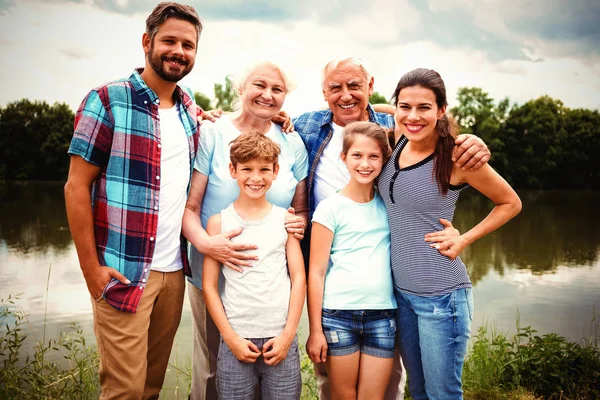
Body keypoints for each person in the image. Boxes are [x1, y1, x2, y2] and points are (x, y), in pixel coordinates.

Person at [293, 56, 492, 400]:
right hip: (344, 299)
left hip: (394, 296)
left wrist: (470, 138)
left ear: (370, 87)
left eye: (355, 86)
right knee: (342, 389)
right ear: (323, 91)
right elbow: (262, 133)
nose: (345, 95)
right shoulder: (306, 126)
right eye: (335, 87)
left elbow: (423, 119)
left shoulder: (399, 131)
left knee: (397, 388)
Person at [64, 3, 202, 399]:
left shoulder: (190, 109)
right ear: (147, 42)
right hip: (123, 272)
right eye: (170, 41)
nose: (179, 51)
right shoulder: (107, 99)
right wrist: (92, 271)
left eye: (188, 45)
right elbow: (76, 188)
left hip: (173, 273)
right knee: (123, 391)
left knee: (150, 388)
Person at [379, 68, 522, 399]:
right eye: (405, 106)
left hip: (441, 298)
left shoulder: (457, 156)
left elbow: (510, 203)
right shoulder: (397, 140)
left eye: (425, 107)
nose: (413, 116)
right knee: (418, 391)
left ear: (442, 110)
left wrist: (464, 239)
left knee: (442, 393)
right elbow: (391, 111)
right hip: (401, 295)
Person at [182, 61, 308, 400]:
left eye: (277, 89)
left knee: (272, 374)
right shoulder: (212, 131)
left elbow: (301, 210)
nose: (267, 95)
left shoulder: (292, 143)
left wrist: (300, 223)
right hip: (212, 272)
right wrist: (210, 245)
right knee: (213, 369)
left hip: (269, 283)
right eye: (259, 85)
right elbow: (190, 208)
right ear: (241, 89)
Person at [202, 130, 305, 399]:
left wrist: (287, 336)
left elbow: (299, 279)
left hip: (280, 338)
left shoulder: (286, 221)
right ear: (232, 170)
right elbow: (210, 287)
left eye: (264, 169)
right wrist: (231, 338)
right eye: (247, 168)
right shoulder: (218, 223)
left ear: (275, 171)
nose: (256, 178)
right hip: (236, 338)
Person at [307, 121, 398, 400]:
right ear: (344, 157)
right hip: (338, 315)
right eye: (357, 155)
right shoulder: (330, 208)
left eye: (374, 156)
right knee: (343, 395)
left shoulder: (390, 206)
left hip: (382, 315)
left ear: (384, 160)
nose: (365, 163)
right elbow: (317, 272)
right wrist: (315, 331)